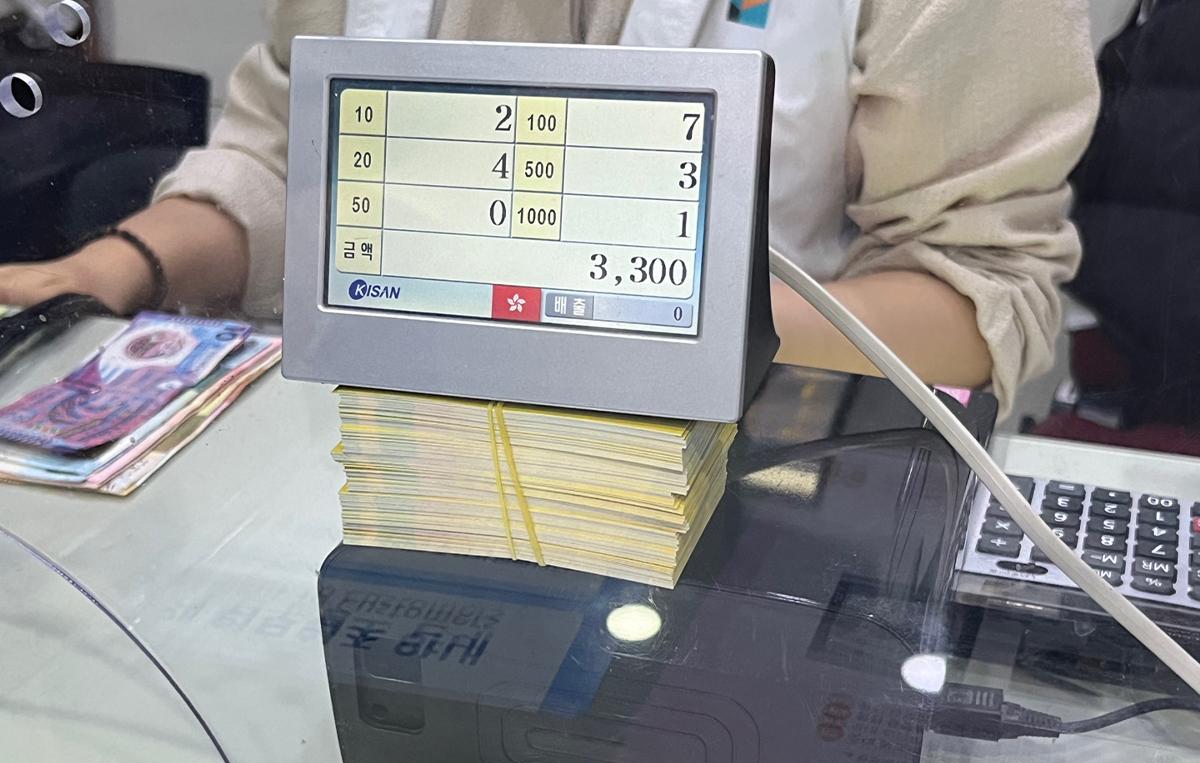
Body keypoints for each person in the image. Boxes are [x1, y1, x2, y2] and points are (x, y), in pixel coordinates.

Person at [0, 0, 1100, 416]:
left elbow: (984, 288)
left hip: (734, 489)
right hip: (381, 479)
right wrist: (108, 271)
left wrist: (649, 327)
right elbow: (285, 158)